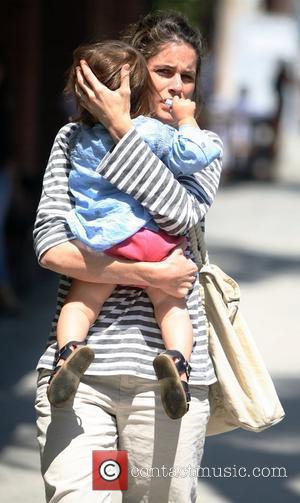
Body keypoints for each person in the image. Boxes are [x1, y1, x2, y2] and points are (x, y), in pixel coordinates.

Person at [34, 11, 223, 502]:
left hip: (162, 396)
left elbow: (179, 215)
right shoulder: (73, 140)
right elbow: (52, 246)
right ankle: (67, 354)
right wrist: (149, 273)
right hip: (83, 384)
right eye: (164, 73)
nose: (176, 87)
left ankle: (174, 364)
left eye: (187, 77)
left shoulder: (201, 146)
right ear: (137, 72)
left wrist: (124, 131)